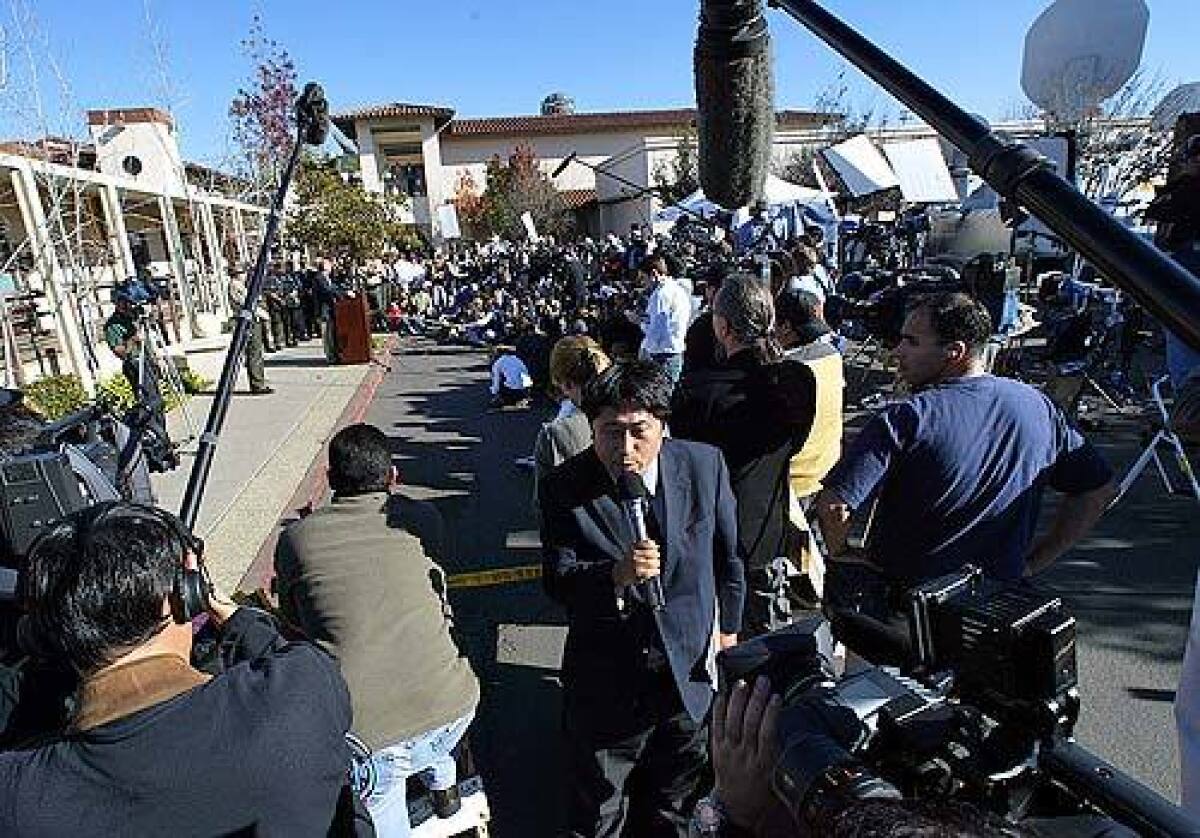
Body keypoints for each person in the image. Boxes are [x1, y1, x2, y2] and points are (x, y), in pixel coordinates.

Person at [0, 501, 354, 836]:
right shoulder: (299, 693)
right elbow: (293, 659)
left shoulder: (17, 797)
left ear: (38, 633)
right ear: (185, 593)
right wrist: (235, 617)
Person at [815, 292, 1116, 623]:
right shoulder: (1039, 407)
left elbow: (835, 504)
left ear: (954, 352)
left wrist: (844, 555)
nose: (896, 351)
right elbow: (1096, 491)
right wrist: (1036, 560)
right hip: (999, 612)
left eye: (911, 342)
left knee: (875, 676)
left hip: (908, 613)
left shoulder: (908, 417)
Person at [538, 361, 746, 838]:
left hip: (687, 682)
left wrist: (727, 635)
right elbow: (559, 581)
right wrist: (616, 575)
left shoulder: (703, 464)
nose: (625, 449)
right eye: (610, 432)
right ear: (590, 427)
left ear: (662, 424)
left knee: (674, 804)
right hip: (608, 687)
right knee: (599, 813)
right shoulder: (563, 487)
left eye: (639, 432)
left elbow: (730, 558)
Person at [275, 423, 479, 836]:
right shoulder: (422, 517)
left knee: (383, 808)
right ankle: (444, 788)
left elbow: (295, 621)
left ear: (330, 479)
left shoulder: (297, 539)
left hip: (372, 740)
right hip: (455, 709)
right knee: (429, 718)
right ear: (394, 477)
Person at [672, 274, 817, 636]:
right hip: (766, 532)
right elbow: (794, 444)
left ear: (722, 327)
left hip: (711, 537)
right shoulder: (796, 381)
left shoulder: (697, 392)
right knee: (764, 639)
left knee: (717, 638)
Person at [775, 287, 845, 596]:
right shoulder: (832, 356)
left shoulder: (789, 370)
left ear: (785, 328)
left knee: (796, 566)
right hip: (826, 466)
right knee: (816, 552)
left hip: (795, 479)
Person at [531, 336, 611, 521]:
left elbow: (544, 504)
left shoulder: (555, 434)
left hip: (586, 535)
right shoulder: (641, 415)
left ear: (565, 384)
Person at [636, 254, 692, 384]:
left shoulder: (661, 295)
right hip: (673, 352)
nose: (643, 282)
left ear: (654, 274)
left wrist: (639, 322)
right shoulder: (677, 290)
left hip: (662, 355)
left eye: (643, 278)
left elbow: (656, 331)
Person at [227, 266, 274, 395]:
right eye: (243, 272)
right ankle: (257, 384)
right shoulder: (235, 286)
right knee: (254, 352)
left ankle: (259, 380)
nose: (246, 275)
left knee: (257, 352)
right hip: (248, 321)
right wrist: (263, 314)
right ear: (237, 274)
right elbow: (247, 304)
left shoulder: (240, 285)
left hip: (252, 320)